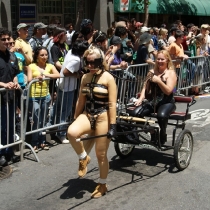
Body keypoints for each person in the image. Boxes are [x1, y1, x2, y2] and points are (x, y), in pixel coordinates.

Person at [67, 46, 117, 198]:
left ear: (100, 62)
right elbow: (81, 99)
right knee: (71, 132)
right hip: (87, 114)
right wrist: (75, 118)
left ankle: (102, 184)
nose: (90, 66)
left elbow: (112, 104)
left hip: (103, 116)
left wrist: (113, 125)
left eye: (94, 63)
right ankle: (83, 157)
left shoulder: (109, 78)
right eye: (88, 62)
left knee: (101, 154)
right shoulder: (85, 77)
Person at [134, 50, 177, 145]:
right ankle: (152, 131)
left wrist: (159, 81)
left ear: (167, 60)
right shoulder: (151, 72)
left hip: (167, 101)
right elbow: (145, 87)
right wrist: (141, 99)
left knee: (161, 116)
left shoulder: (171, 73)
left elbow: (169, 91)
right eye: (158, 59)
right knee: (136, 114)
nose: (160, 61)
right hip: (153, 101)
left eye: (162, 59)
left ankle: (163, 133)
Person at [53, 40, 89, 144]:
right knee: (65, 111)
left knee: (59, 109)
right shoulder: (76, 60)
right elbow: (66, 71)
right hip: (67, 88)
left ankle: (54, 129)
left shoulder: (70, 53)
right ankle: (61, 134)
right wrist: (77, 75)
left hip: (63, 85)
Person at [27, 46, 60, 153]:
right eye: (42, 55)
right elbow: (29, 79)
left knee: (43, 120)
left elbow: (58, 75)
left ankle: (42, 141)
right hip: (34, 97)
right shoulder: (31, 66)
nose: (44, 57)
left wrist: (46, 75)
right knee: (36, 119)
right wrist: (36, 78)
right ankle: (34, 142)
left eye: (46, 55)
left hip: (45, 96)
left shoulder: (49, 65)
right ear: (37, 56)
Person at [0, 27, 20, 166]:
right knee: (1, 127)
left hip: (11, 98)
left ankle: (9, 151)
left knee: (11, 126)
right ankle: (1, 153)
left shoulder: (12, 56)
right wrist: (3, 84)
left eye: (8, 39)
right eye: (3, 39)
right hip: (1, 98)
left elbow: (15, 74)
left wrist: (14, 82)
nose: (7, 42)